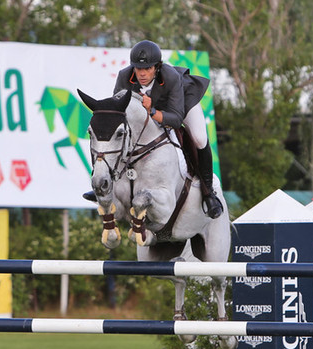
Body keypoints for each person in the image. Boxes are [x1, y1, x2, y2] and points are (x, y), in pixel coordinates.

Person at [85, 40, 223, 219]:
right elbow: (118, 112)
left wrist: (152, 111)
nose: (142, 74)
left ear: (157, 67)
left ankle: (208, 192)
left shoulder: (171, 77)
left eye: (147, 69)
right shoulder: (124, 77)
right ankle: (106, 187)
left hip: (182, 103)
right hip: (150, 110)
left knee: (199, 138)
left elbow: (175, 119)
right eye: (138, 69)